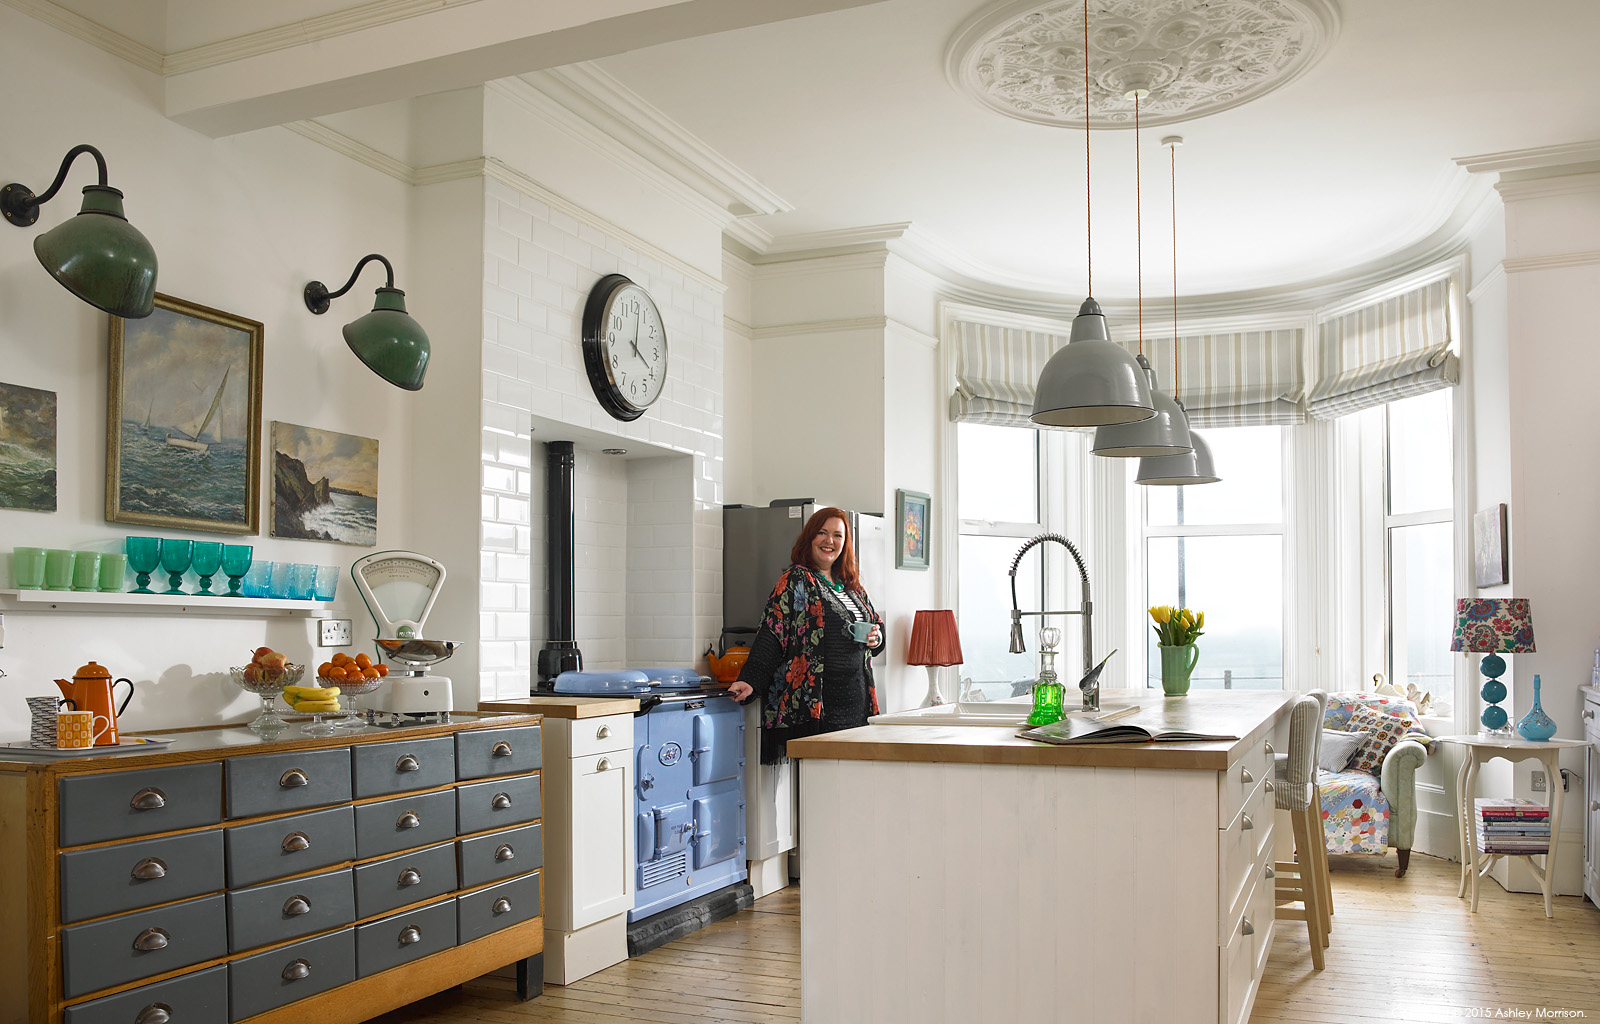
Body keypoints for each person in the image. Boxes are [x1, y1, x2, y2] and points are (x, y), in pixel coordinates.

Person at [728, 507, 885, 764]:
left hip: (858, 704)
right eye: (822, 533)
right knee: (822, 785)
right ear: (810, 538)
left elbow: (876, 629)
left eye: (837, 535)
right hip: (819, 705)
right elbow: (772, 633)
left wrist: (877, 638)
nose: (829, 541)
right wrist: (750, 679)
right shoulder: (795, 580)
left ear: (845, 543)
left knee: (854, 784)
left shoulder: (852, 586)